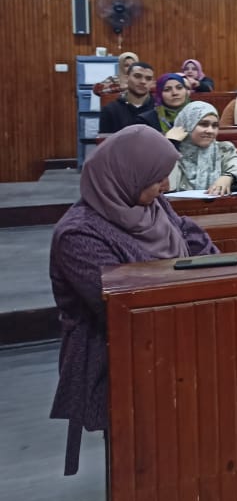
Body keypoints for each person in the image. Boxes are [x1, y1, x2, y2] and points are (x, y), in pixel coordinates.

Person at [49, 125, 219, 474]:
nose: (166, 186)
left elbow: (194, 242)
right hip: (119, 359)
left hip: (181, 340)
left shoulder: (152, 204)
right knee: (142, 461)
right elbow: (121, 306)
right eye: (157, 178)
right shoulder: (78, 233)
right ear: (127, 176)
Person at [164, 102, 237, 194]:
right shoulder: (171, 151)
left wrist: (229, 177)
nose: (210, 131)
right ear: (186, 125)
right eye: (203, 124)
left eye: (215, 126)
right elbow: (166, 186)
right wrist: (170, 146)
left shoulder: (224, 149)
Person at [97, 61, 161, 134]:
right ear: (126, 78)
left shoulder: (160, 109)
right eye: (137, 76)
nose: (143, 82)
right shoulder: (110, 110)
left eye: (148, 78)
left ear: (152, 83)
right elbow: (105, 140)